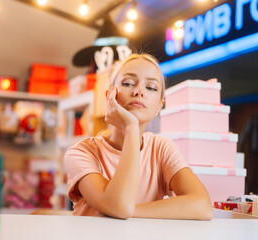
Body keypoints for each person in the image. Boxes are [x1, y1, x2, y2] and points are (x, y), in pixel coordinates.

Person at [64, 53, 213, 220]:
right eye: (128, 83)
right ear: (110, 96)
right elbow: (118, 206)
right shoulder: (81, 152)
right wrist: (131, 127)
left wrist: (129, 210)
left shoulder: (161, 147)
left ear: (159, 106)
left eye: (151, 88)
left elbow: (203, 206)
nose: (139, 91)